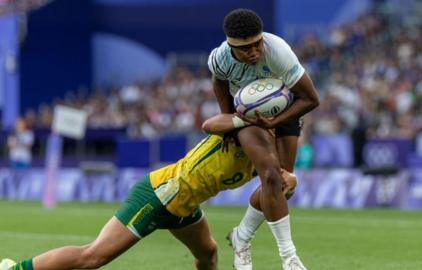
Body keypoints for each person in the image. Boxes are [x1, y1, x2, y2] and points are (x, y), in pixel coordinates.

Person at [0, 114, 297, 270]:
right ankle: (15, 269)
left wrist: (286, 183)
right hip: (159, 195)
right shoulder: (241, 132)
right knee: (92, 258)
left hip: (185, 206)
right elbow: (211, 123)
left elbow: (266, 193)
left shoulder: (265, 160)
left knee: (208, 254)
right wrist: (244, 119)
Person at [207, 8, 319, 270]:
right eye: (246, 49)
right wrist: (228, 123)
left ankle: (241, 236)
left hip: (286, 109)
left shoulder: (278, 50)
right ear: (231, 45)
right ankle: (289, 258)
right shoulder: (219, 59)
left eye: (257, 44)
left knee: (283, 186)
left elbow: (311, 99)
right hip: (247, 115)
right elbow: (219, 83)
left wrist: (274, 122)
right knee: (270, 176)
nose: (255, 52)